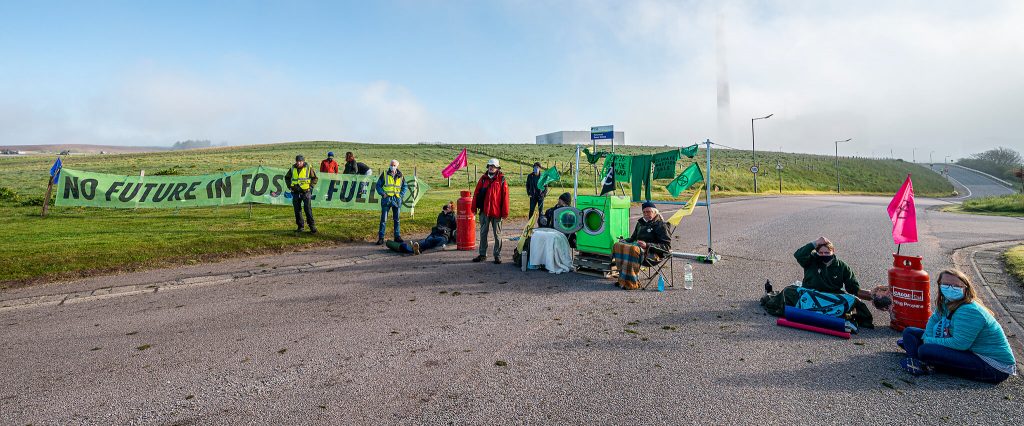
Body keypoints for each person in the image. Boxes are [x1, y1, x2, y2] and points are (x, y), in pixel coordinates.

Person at [898, 269, 1017, 383]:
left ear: (966, 289)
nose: (950, 288)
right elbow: (934, 320)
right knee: (910, 332)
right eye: (946, 284)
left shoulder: (970, 311)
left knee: (925, 349)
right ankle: (917, 360)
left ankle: (921, 358)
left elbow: (960, 344)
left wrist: (927, 341)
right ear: (940, 285)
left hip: (992, 366)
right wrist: (926, 337)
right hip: (969, 350)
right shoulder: (947, 302)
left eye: (956, 286)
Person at [761, 237, 877, 328]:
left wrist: (872, 296)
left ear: (833, 251)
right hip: (810, 293)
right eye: (820, 253)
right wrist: (815, 243)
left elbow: (853, 289)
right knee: (788, 291)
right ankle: (771, 295)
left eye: (826, 253)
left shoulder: (842, 266)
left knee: (854, 301)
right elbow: (798, 255)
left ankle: (816, 311)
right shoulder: (811, 260)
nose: (823, 255)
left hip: (829, 297)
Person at [612, 201, 672, 290]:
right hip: (639, 250)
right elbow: (633, 238)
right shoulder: (640, 223)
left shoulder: (661, 225)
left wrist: (647, 245)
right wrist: (624, 240)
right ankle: (624, 279)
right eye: (644, 212)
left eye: (648, 212)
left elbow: (666, 247)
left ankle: (631, 283)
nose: (646, 214)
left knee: (633, 250)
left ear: (655, 212)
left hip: (653, 254)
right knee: (618, 245)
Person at [472, 158, 510, 264]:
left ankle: (497, 255)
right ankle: (482, 254)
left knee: (497, 235)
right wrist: (473, 208)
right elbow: (476, 194)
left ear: (497, 168)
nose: (491, 167)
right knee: (483, 233)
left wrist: (505, 212)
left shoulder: (502, 179)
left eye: (493, 166)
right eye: (489, 166)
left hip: (497, 213)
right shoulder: (483, 179)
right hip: (484, 212)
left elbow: (505, 197)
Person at [385, 202, 457, 255]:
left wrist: (453, 238)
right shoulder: (441, 215)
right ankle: (415, 247)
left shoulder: (453, 216)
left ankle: (416, 249)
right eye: (447, 206)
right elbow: (439, 224)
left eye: (449, 207)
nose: (446, 207)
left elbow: (455, 228)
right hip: (435, 233)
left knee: (435, 242)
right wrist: (444, 213)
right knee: (427, 240)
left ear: (451, 209)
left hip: (444, 236)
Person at [284, 154, 318, 234]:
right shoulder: (292, 168)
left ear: (303, 161)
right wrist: (290, 187)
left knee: (308, 209)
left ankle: (312, 227)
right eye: (297, 161)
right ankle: (300, 227)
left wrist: (310, 187)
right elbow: (287, 177)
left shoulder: (308, 168)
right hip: (295, 192)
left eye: (300, 161)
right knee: (297, 210)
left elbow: (315, 178)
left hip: (306, 192)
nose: (299, 163)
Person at [375, 159, 407, 245]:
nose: (392, 167)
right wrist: (382, 193)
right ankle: (381, 238)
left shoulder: (401, 175)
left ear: (397, 166)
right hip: (387, 199)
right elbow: (378, 185)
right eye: (391, 165)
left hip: (396, 199)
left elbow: (405, 186)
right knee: (383, 220)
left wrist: (401, 195)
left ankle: (397, 236)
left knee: (397, 219)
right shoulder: (385, 174)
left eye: (394, 165)